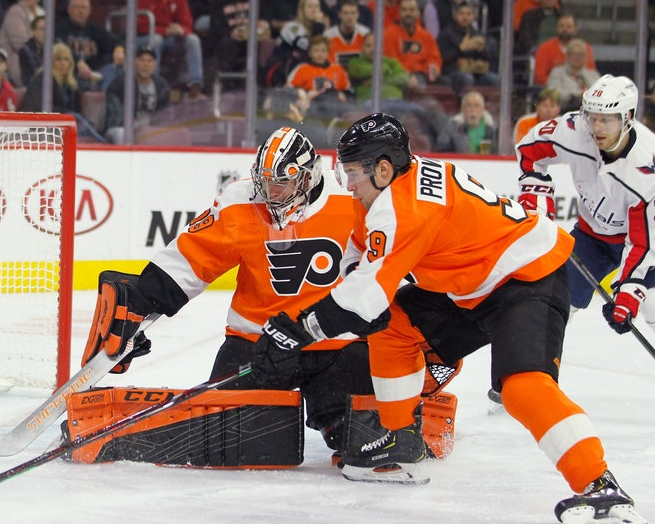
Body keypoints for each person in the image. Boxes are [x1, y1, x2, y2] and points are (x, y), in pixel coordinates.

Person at [259, 112, 644, 523]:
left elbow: (362, 301)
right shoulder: (381, 192)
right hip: (471, 285)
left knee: (522, 388)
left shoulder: (405, 209)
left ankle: (601, 487)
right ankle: (401, 440)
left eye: (352, 172)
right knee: (394, 327)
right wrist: (357, 289)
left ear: (383, 169)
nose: (346, 182)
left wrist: (299, 329)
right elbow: (360, 261)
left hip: (528, 276)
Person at [80, 127, 461, 468]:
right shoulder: (239, 201)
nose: (270, 194)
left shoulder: (355, 198)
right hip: (257, 347)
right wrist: (142, 302)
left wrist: (428, 338)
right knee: (226, 434)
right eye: (265, 183)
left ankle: (409, 408)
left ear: (308, 177)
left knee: (363, 443)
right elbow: (192, 259)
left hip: (338, 347)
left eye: (281, 184)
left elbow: (403, 265)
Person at [516, 75, 655, 344]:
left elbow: (642, 242)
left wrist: (628, 290)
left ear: (627, 116)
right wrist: (537, 198)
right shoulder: (573, 130)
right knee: (552, 304)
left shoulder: (646, 166)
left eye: (607, 119)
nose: (597, 126)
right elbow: (530, 149)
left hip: (646, 244)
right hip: (592, 238)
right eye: (592, 116)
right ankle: (528, 374)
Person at [137, 0, 205, 100]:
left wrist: (181, 30)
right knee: (156, 39)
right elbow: (140, 26)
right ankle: (153, 85)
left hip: (172, 40)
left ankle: (195, 86)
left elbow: (188, 24)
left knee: (193, 39)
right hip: (146, 39)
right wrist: (164, 31)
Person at [18, 42, 108, 143]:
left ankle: (102, 144)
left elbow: (76, 109)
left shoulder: (70, 84)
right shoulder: (43, 78)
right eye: (58, 59)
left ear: (70, 63)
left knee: (82, 122)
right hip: (40, 125)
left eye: (66, 59)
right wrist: (65, 114)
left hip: (64, 124)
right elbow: (38, 106)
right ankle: (105, 145)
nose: (63, 63)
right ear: (51, 62)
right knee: (76, 119)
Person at [103, 45, 171, 144]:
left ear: (154, 64)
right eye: (142, 60)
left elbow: (167, 114)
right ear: (134, 62)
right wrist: (138, 130)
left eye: (150, 61)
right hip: (122, 128)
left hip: (149, 131)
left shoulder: (161, 85)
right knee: (122, 134)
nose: (146, 65)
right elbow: (117, 118)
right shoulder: (121, 84)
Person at [56, 0, 120, 92]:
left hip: (94, 74)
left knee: (114, 69)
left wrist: (119, 49)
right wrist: (78, 62)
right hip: (70, 74)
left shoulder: (95, 29)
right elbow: (59, 47)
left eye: (84, 8)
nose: (80, 11)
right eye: (77, 7)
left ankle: (104, 99)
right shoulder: (60, 28)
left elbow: (114, 41)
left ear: (89, 11)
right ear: (69, 10)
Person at [437, 1, 498, 96]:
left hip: (477, 73)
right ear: (455, 16)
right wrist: (461, 49)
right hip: (453, 72)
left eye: (468, 14)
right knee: (466, 78)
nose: (465, 17)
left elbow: (491, 58)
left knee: (494, 79)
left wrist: (481, 50)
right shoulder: (446, 34)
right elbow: (443, 58)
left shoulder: (478, 35)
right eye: (461, 14)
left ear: (473, 17)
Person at [383, 0, 441, 91]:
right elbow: (390, 60)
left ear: (418, 13)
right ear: (399, 13)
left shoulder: (426, 36)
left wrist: (431, 69)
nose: (408, 13)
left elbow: (434, 58)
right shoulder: (388, 34)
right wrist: (407, 75)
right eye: (404, 10)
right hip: (398, 76)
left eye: (412, 10)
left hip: (422, 75)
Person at [0, 0, 45, 88]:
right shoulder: (15, 12)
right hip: (17, 58)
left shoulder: (42, 12)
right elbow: (21, 44)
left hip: (40, 55)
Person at [533, 13, 596, 86]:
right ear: (556, 28)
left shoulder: (585, 48)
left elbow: (590, 73)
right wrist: (560, 85)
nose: (565, 29)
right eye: (561, 26)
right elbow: (539, 77)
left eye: (569, 27)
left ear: (575, 29)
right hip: (553, 90)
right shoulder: (544, 48)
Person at [346, 32, 409, 101]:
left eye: (376, 46)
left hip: (394, 100)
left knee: (418, 109)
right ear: (362, 47)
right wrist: (386, 70)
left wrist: (382, 80)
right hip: (369, 102)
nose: (372, 50)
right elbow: (362, 71)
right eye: (368, 46)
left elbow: (404, 78)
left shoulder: (391, 62)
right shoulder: (355, 62)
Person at [546, 39, 601, 112]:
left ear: (586, 57)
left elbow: (600, 93)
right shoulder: (557, 72)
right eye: (574, 54)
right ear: (567, 56)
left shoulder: (593, 74)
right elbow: (554, 94)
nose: (577, 57)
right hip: (565, 111)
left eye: (581, 54)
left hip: (591, 112)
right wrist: (578, 94)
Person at [322, 0, 370, 68]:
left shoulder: (365, 33)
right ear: (339, 15)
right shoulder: (328, 36)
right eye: (345, 13)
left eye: (353, 13)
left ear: (358, 14)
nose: (349, 17)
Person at [450, 89, 497, 154]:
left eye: (476, 106)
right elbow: (441, 151)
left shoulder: (491, 131)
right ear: (463, 109)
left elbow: (496, 153)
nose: (473, 110)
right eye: (469, 106)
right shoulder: (452, 128)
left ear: (482, 109)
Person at [18, 15, 46, 88]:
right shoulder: (25, 50)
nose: (46, 33)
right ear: (33, 31)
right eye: (42, 29)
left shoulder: (56, 47)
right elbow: (28, 78)